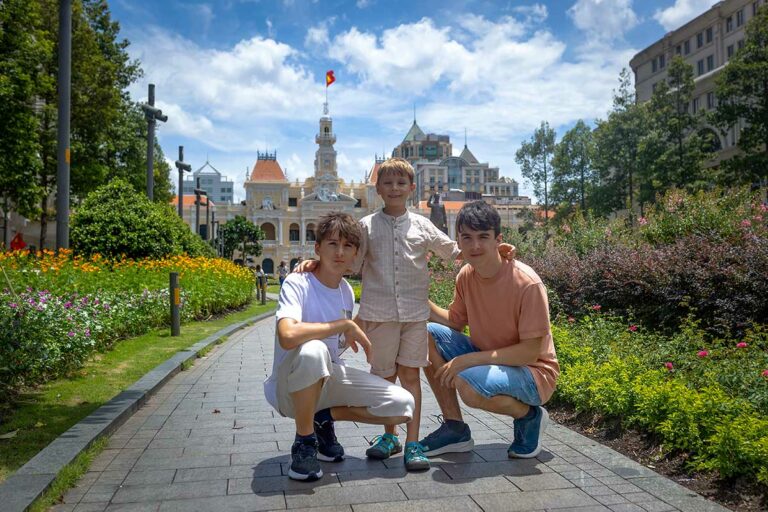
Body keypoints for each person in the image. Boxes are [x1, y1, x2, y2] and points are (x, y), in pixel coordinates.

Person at [297, 158, 514, 471]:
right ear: (378, 188)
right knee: (384, 377)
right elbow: (348, 261)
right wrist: (315, 263)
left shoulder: (422, 225)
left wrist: (496, 250)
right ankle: (390, 436)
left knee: (411, 377)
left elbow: (454, 250)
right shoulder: (366, 227)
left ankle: (413, 442)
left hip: (414, 317)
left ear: (412, 188)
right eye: (388, 183)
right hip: (379, 317)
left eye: (401, 183)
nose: (395, 188)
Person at [263, 212, 415, 482]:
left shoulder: (345, 290)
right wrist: (341, 325)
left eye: (348, 246)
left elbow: (336, 344)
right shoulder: (298, 282)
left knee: (403, 405)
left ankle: (323, 418)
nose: (340, 252)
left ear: (356, 253)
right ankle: (304, 443)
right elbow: (287, 335)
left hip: (327, 377)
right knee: (314, 350)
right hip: (288, 388)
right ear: (318, 248)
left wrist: (354, 335)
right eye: (332, 244)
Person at [419, 200, 559, 460]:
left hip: (533, 373)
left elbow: (530, 353)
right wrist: (420, 299)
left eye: (483, 237)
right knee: (424, 334)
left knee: (468, 384)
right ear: (458, 241)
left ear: (498, 240)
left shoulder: (526, 283)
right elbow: (455, 322)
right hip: (490, 360)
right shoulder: (466, 275)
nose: (475, 246)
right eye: (467, 238)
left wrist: (467, 361)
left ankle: (529, 416)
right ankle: (454, 427)